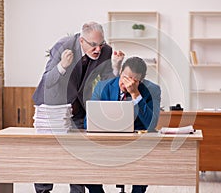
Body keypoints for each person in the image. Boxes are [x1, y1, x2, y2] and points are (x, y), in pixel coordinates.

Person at [32, 22, 124, 193]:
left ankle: (78, 191)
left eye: (101, 44)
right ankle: (43, 190)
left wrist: (116, 67)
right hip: (54, 108)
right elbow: (48, 82)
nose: (98, 49)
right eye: (93, 45)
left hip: (80, 107)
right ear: (82, 41)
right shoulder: (63, 46)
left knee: (79, 151)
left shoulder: (106, 51)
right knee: (48, 153)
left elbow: (108, 84)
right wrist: (62, 66)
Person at [86, 56, 161, 193]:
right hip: (106, 142)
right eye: (125, 77)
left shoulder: (152, 90)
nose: (126, 83)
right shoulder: (103, 87)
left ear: (141, 80)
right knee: (86, 162)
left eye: (133, 80)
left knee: (143, 161)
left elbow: (151, 124)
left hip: (135, 145)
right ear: (120, 72)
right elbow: (88, 121)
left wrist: (135, 94)